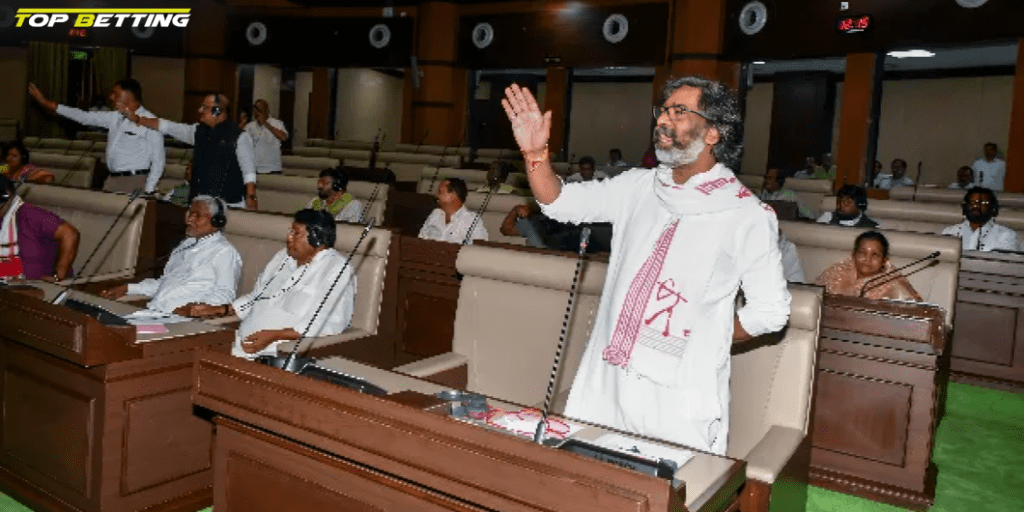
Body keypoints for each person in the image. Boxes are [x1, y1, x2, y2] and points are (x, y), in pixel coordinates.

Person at [500, 77, 791, 454]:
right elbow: (559, 202)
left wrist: (705, 335)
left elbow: (770, 313)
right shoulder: (637, 186)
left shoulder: (746, 213)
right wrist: (535, 152)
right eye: (663, 110)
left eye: (680, 112)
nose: (664, 120)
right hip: (610, 381)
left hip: (678, 395)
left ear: (714, 133)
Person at [180, 209, 357, 359]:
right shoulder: (282, 257)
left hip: (276, 354)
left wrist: (274, 336)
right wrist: (221, 310)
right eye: (290, 232)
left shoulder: (337, 269)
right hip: (240, 344)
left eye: (296, 233)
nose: (288, 238)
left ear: (317, 239)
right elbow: (258, 296)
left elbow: (330, 323)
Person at [100, 196, 242, 314]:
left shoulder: (224, 252)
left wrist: (195, 309)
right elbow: (164, 283)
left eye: (197, 215)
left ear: (216, 221)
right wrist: (128, 288)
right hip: (155, 313)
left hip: (183, 321)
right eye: (189, 213)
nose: (189, 219)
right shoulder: (186, 245)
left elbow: (225, 295)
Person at [119, 93, 258, 210]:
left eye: (205, 107)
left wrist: (251, 198)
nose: (200, 110)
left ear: (217, 111)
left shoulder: (240, 136)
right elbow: (167, 126)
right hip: (200, 204)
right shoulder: (197, 131)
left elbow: (249, 171)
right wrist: (139, 119)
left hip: (228, 205)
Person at [28, 79, 165, 194]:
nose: (111, 97)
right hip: (112, 179)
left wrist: (149, 188)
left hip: (135, 180)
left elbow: (158, 160)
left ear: (128, 95)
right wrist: (46, 103)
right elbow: (83, 117)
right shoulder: (114, 116)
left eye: (115, 93)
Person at [0, 175, 79, 281]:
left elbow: (69, 234)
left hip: (37, 287)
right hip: (11, 282)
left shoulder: (28, 213)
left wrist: (58, 277)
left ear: (8, 195)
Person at [815, 231, 923, 301]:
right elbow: (814, 298)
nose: (867, 259)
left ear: (884, 260)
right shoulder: (837, 272)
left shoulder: (894, 284)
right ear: (854, 254)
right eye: (862, 252)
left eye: (875, 255)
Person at [941, 187, 1022, 252]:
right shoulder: (950, 232)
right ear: (965, 207)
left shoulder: (1006, 236)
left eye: (983, 203)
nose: (976, 206)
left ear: (993, 209)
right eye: (972, 202)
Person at [418, 178, 488, 244]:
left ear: (452, 196)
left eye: (440, 191)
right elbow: (420, 240)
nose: (436, 195)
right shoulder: (435, 214)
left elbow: (479, 248)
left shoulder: (472, 220)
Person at [245, 99, 289, 175]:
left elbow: (284, 137)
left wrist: (266, 124)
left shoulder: (276, 123)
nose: (257, 112)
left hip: (272, 168)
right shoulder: (250, 126)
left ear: (267, 110)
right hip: (255, 169)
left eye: (260, 110)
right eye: (256, 110)